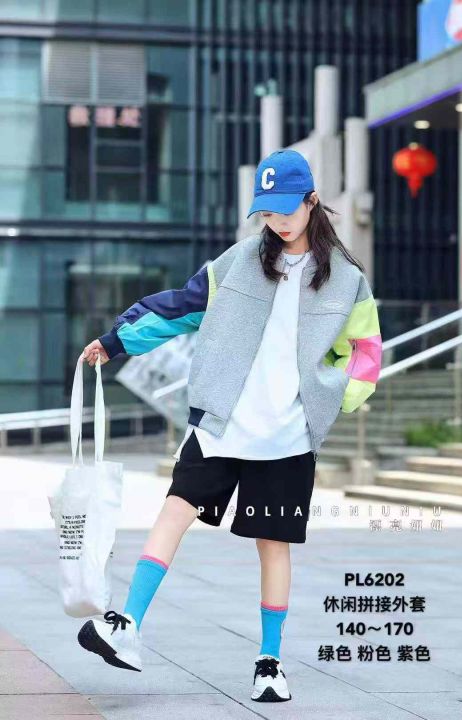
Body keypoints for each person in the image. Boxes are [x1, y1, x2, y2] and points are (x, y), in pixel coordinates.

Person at [77, 149, 382, 703]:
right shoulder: (238, 262)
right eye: (266, 212)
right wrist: (116, 340)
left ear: (312, 201)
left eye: (286, 209)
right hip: (221, 421)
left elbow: (364, 352)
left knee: (273, 545)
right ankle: (126, 625)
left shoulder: (347, 281)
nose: (277, 221)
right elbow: (179, 308)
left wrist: (333, 399)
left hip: (288, 435)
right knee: (174, 510)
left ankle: (270, 662)